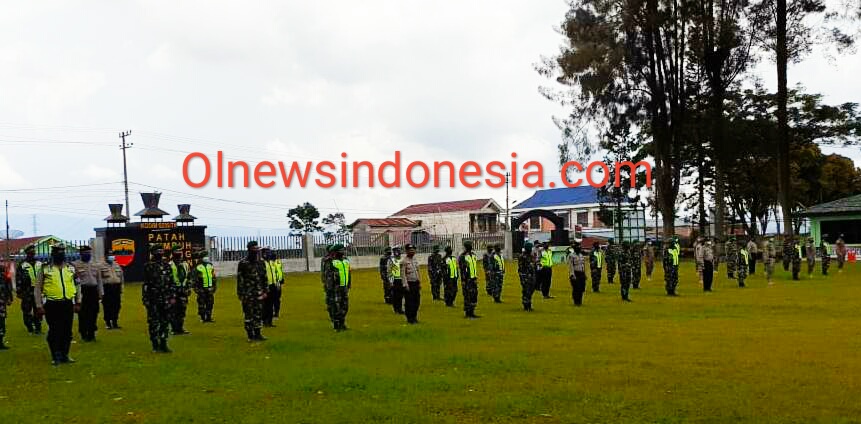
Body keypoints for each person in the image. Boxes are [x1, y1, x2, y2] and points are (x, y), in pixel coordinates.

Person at [34, 244, 80, 364]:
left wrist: (78, 301)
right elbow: (38, 288)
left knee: (67, 331)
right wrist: (39, 305)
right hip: (52, 305)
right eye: (57, 252)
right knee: (55, 330)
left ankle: (65, 354)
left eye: (62, 252)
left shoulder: (71, 268)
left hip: (67, 303)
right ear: (53, 254)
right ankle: (56, 355)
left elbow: (77, 285)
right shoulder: (45, 269)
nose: (60, 254)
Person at [142, 244, 173, 353]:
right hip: (153, 299)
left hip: (166, 299)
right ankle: (155, 345)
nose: (160, 253)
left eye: (161, 250)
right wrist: (145, 299)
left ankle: (164, 343)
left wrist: (172, 296)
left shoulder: (167, 266)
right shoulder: (148, 266)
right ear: (153, 253)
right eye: (157, 251)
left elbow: (171, 282)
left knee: (165, 322)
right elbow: (146, 284)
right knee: (154, 322)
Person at [236, 241, 268, 342]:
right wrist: (241, 294)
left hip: (259, 293)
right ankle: (250, 335)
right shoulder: (243, 263)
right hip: (247, 294)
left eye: (257, 249)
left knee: (258, 314)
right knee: (248, 315)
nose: (256, 251)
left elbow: (264, 277)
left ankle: (258, 333)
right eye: (254, 249)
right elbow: (240, 279)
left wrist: (265, 291)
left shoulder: (261, 262)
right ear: (249, 249)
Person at [73, 245, 103, 342]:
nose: (87, 255)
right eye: (85, 253)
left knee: (94, 312)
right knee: (83, 313)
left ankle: (92, 333)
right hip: (82, 291)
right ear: (81, 254)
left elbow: (99, 280)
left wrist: (100, 292)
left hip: (93, 290)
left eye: (88, 253)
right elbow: (74, 282)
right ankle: (83, 333)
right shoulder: (75, 265)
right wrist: (76, 296)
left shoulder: (95, 264)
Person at [16, 245, 43, 334]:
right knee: (27, 310)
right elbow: (18, 278)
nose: (32, 253)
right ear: (27, 253)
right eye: (30, 252)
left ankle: (38, 327)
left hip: (38, 290)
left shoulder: (40, 264)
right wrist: (19, 291)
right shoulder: (22, 265)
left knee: (38, 309)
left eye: (33, 252)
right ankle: (29, 327)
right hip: (27, 290)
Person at [325, 244, 351, 331]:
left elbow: (348, 273)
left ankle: (342, 322)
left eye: (343, 250)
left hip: (344, 287)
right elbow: (328, 276)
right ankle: (337, 325)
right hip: (336, 287)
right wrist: (330, 289)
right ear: (336, 252)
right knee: (336, 306)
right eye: (341, 251)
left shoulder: (346, 261)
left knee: (345, 306)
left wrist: (349, 285)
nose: (343, 252)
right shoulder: (330, 262)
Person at [168, 245, 191, 336]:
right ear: (173, 253)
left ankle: (180, 328)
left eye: (180, 251)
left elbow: (188, 277)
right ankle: (174, 329)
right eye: (176, 251)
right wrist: (170, 294)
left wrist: (188, 288)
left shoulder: (185, 264)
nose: (179, 253)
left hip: (183, 290)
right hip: (174, 291)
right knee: (173, 310)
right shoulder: (169, 265)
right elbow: (168, 280)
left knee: (182, 310)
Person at [100, 252, 124, 330]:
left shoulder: (117, 265)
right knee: (107, 306)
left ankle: (115, 322)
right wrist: (101, 292)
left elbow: (121, 278)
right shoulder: (101, 266)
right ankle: (108, 323)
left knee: (117, 305)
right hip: (107, 288)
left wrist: (121, 288)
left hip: (116, 287)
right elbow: (99, 279)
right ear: (105, 256)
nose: (111, 256)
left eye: (112, 255)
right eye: (109, 255)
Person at [262, 247, 284, 327]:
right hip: (266, 286)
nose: (269, 254)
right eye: (267, 253)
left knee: (271, 304)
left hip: (273, 285)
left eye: (269, 252)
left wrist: (278, 282)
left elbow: (275, 273)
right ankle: (264, 321)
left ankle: (270, 322)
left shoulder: (271, 262)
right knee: (265, 304)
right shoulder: (262, 263)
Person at [192, 250, 217, 323]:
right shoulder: (197, 267)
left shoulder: (210, 265)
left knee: (210, 303)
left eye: (207, 256)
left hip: (210, 288)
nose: (206, 257)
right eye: (204, 256)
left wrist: (214, 286)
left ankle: (209, 317)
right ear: (201, 258)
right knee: (201, 304)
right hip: (201, 288)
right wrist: (196, 289)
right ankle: (203, 318)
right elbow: (194, 279)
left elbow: (213, 276)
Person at [458, 240, 480, 319]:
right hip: (467, 280)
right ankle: (468, 313)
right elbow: (462, 269)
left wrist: (475, 277)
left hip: (473, 278)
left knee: (474, 295)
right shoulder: (462, 256)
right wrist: (463, 280)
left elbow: (474, 267)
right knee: (468, 296)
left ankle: (472, 312)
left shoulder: (473, 255)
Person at [401, 244, 421, 324]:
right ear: (406, 251)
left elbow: (418, 272)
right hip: (409, 284)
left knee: (417, 301)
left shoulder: (415, 260)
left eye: (413, 249)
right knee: (409, 302)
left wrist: (419, 282)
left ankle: (414, 317)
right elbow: (403, 274)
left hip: (416, 283)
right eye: (410, 250)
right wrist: (405, 285)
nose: (412, 251)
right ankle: (410, 318)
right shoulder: (404, 261)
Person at [518, 242, 537, 311]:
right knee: (526, 291)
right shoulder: (522, 256)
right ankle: (526, 305)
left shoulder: (531, 256)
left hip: (532, 276)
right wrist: (522, 276)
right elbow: (520, 267)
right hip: (525, 276)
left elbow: (534, 264)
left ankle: (529, 303)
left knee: (531, 290)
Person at [388, 246, 405, 315]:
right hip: (395, 280)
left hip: (401, 279)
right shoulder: (391, 260)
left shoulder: (402, 260)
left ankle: (400, 308)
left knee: (401, 295)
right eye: (396, 251)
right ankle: (396, 309)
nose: (398, 253)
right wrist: (391, 281)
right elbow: (389, 271)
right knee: (395, 295)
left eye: (399, 251)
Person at [0, 263, 13, 350]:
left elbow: (8, 284)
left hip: (1, 302)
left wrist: (9, 298)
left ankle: (0, 342)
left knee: (1, 321)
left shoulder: (3, 270)